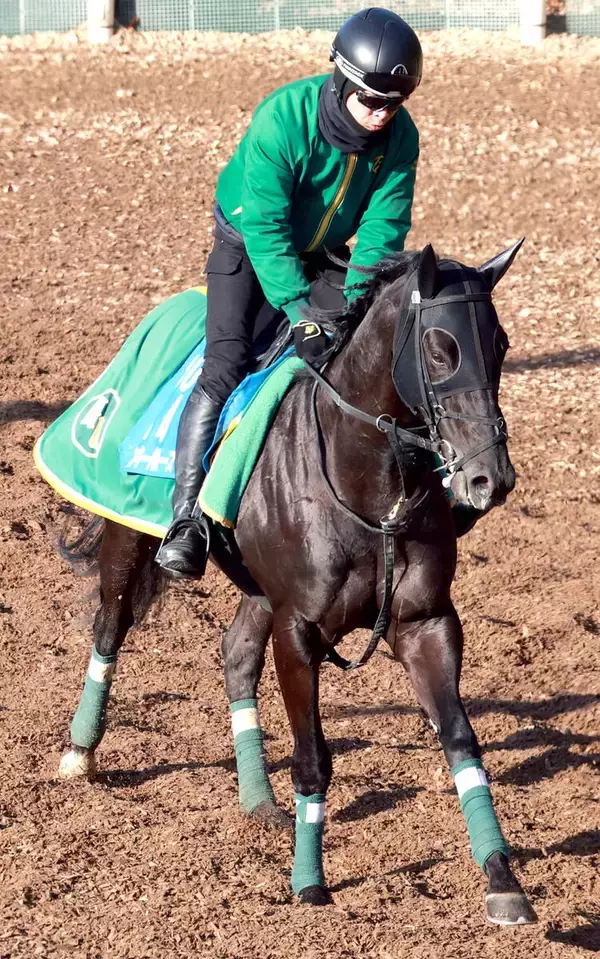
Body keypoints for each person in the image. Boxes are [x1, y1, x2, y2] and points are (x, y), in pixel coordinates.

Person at [156, 7, 423, 578]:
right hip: (248, 240)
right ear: (342, 81)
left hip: (322, 251)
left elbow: (381, 230)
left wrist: (355, 303)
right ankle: (185, 520)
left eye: (392, 105)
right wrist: (299, 310)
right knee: (226, 364)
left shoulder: (401, 138)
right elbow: (267, 228)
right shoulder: (281, 118)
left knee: (358, 347)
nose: (380, 116)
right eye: (370, 101)